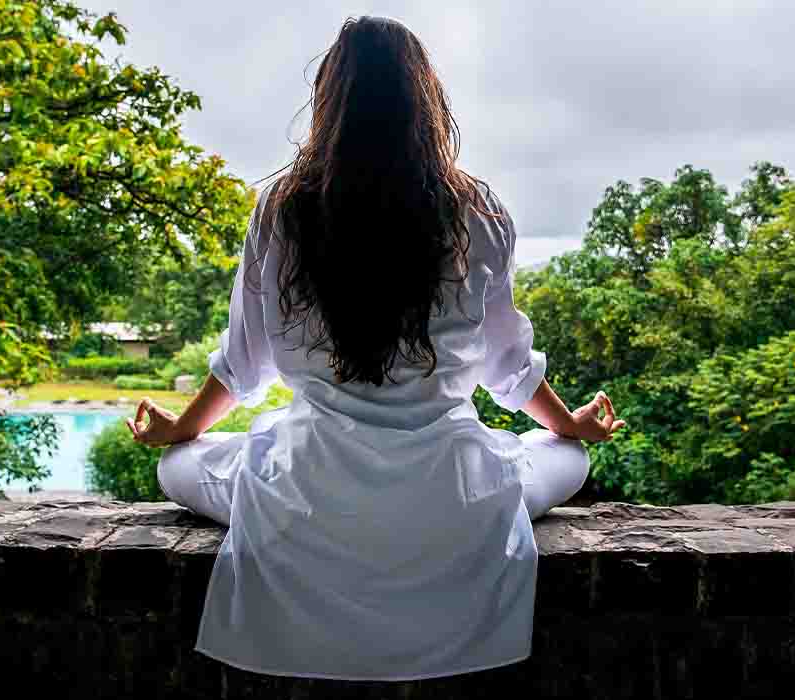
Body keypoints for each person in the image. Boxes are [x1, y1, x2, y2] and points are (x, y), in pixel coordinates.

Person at [123, 15, 625, 682]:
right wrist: (570, 426)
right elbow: (507, 367)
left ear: (329, 99)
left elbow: (245, 360)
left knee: (176, 469)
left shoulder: (281, 209)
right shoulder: (479, 212)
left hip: (307, 492)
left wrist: (182, 429)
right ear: (427, 100)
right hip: (452, 495)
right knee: (567, 459)